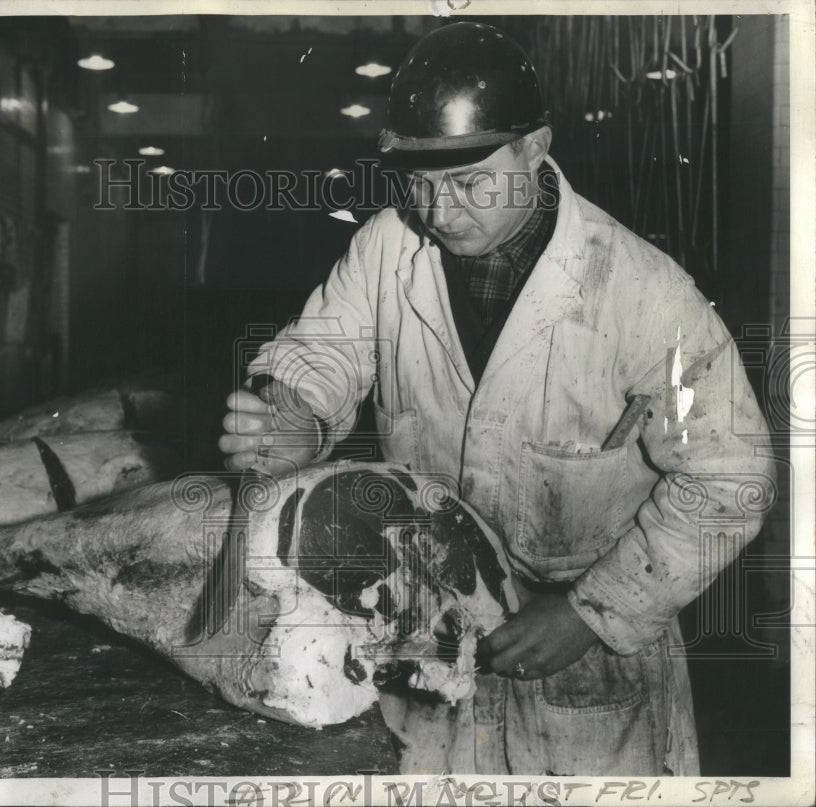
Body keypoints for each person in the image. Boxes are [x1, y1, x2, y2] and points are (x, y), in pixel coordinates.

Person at [218, 22, 774, 776]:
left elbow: (730, 477)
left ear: (535, 147)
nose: (439, 212)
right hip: (424, 640)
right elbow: (322, 356)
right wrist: (295, 418)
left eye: (470, 183)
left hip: (590, 678)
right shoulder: (389, 248)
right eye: (419, 183)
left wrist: (593, 610)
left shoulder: (643, 295)